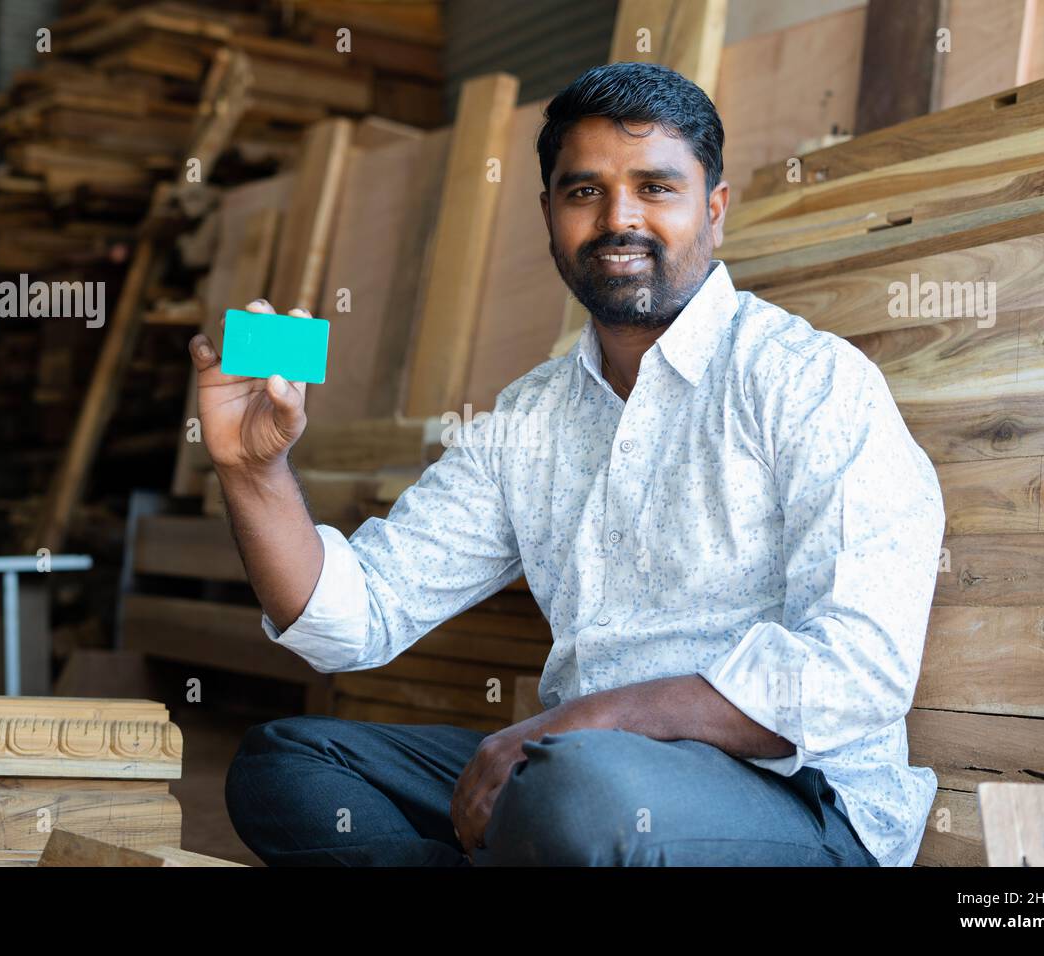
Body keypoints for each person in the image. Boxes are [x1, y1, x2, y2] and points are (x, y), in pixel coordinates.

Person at [189, 61, 945, 867]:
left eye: (657, 188)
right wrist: (254, 472)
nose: (620, 218)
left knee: (573, 797)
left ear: (714, 211)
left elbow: (856, 672)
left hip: (794, 801)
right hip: (573, 780)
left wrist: (574, 725)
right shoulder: (530, 418)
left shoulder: (808, 381)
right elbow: (359, 616)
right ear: (548, 215)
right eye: (584, 192)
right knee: (286, 765)